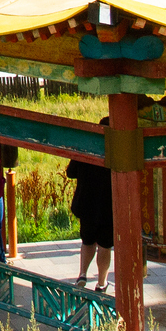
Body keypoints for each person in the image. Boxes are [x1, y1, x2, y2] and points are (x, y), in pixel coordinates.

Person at [66, 118, 114, 289]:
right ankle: (101, 283)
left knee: (87, 241)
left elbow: (70, 172)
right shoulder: (117, 150)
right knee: (105, 246)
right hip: (109, 207)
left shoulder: (86, 147)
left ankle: (82, 274)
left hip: (86, 204)